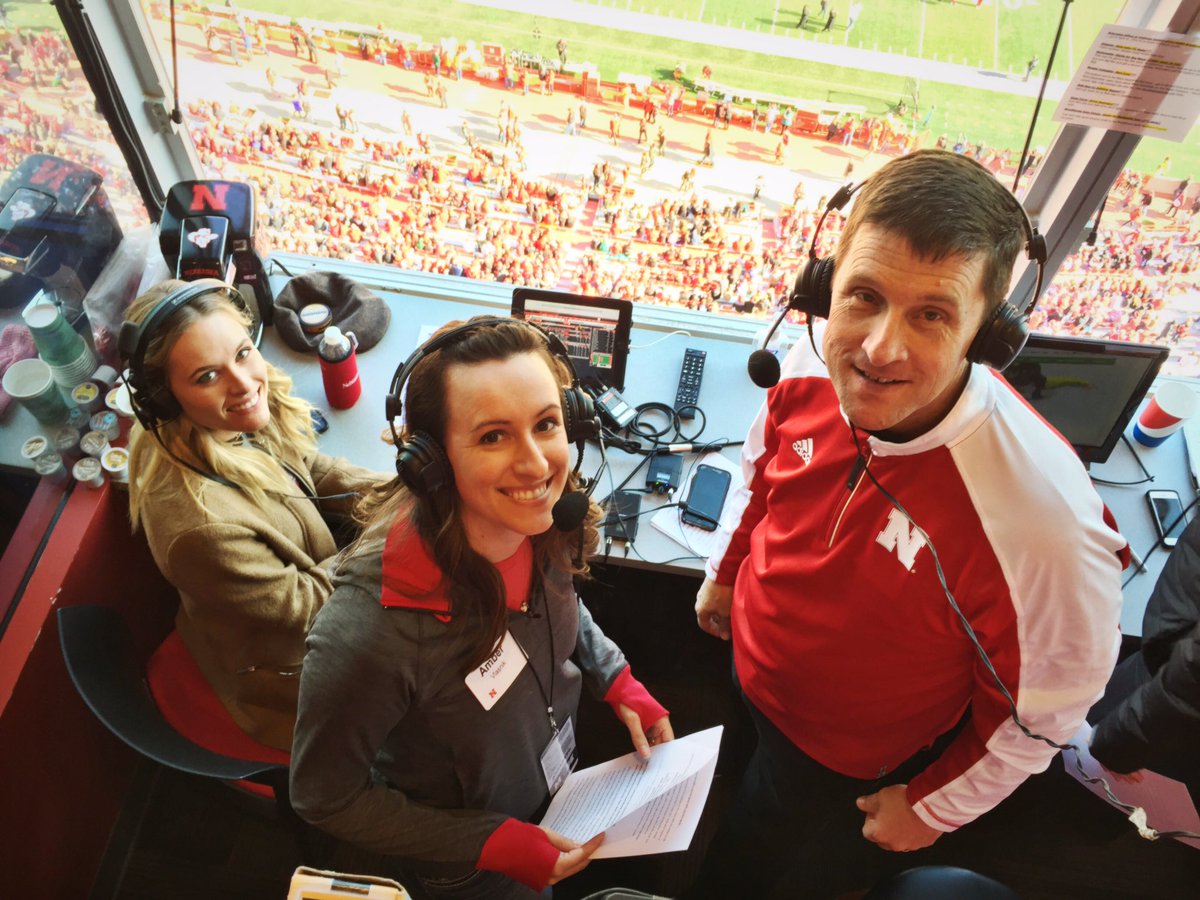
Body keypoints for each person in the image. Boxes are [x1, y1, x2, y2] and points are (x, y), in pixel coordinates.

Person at [692, 150, 1126, 898]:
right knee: (738, 787)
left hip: (840, 757)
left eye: (931, 314)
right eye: (863, 296)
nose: (879, 349)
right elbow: (761, 475)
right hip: (748, 666)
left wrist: (933, 807)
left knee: (758, 856)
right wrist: (724, 575)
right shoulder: (811, 362)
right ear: (827, 288)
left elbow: (1049, 710)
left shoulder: (1043, 521)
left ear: (988, 337)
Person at [291, 317, 672, 899]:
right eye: (493, 436)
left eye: (546, 424)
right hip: (469, 865)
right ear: (434, 462)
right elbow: (324, 796)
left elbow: (558, 604)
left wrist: (615, 676)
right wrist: (492, 843)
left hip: (549, 790)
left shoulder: (545, 522)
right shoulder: (367, 634)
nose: (537, 465)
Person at [123, 279, 380, 753]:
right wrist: (396, 532)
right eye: (206, 376)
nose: (243, 385)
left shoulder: (232, 421)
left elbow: (310, 466)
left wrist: (397, 488)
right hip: (290, 673)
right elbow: (310, 608)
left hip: (319, 594)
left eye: (243, 353)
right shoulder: (200, 527)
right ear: (164, 398)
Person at [1089, 516, 1200, 804]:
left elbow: (1190, 687)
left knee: (1134, 799)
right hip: (1164, 655)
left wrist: (1117, 744)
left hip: (1166, 702)